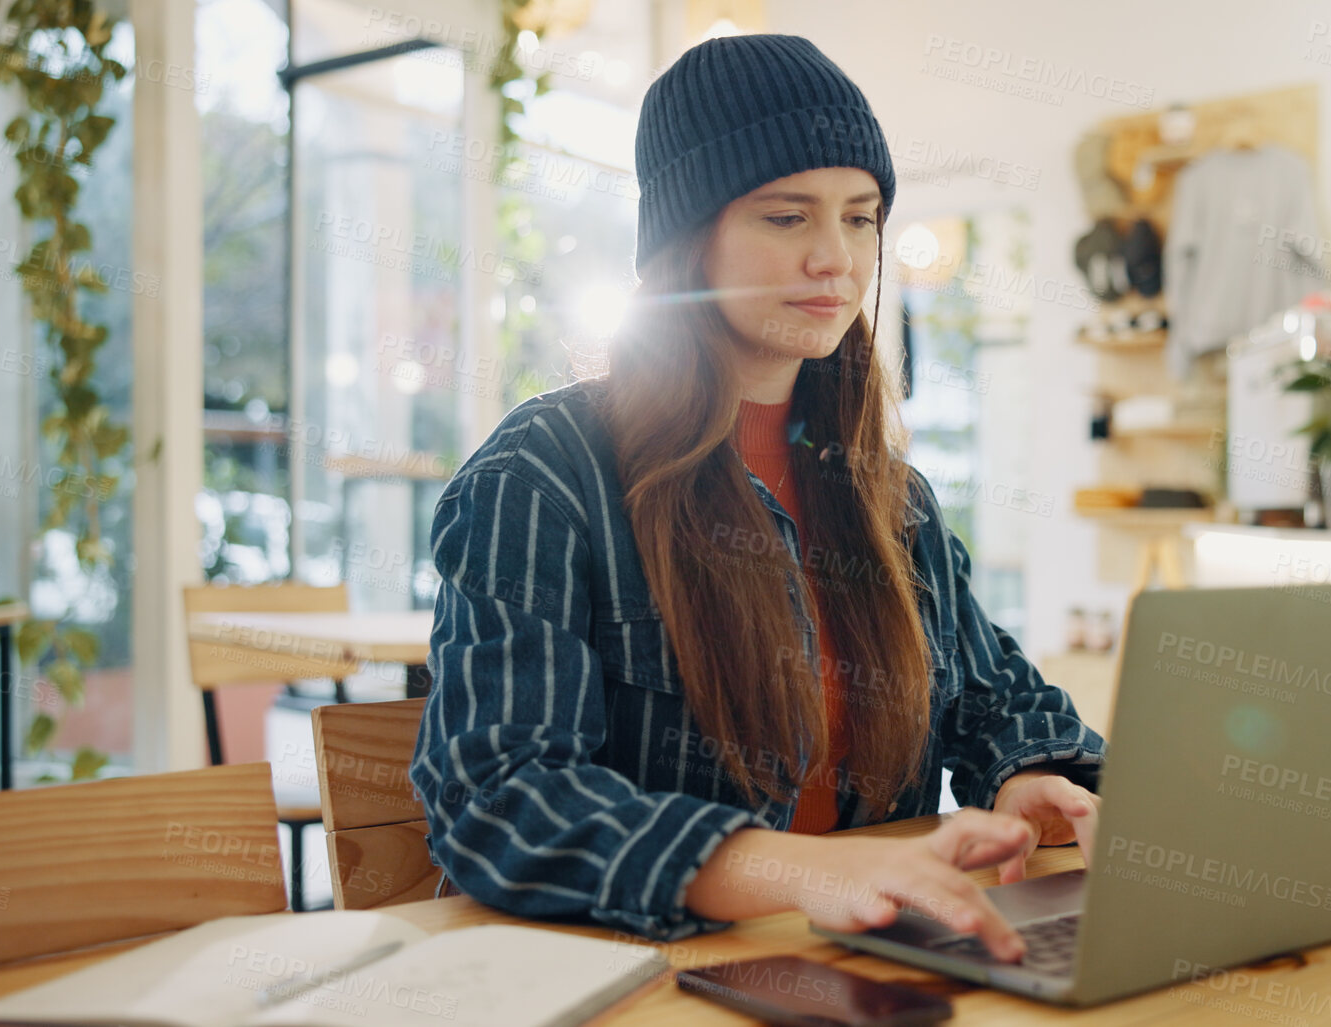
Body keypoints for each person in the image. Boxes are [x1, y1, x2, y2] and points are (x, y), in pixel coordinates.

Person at [409, 33, 1106, 963]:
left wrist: (1031, 775)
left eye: (861, 218)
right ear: (686, 241)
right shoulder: (544, 473)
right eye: (786, 217)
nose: (836, 260)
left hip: (863, 972)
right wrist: (802, 874)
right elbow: (502, 796)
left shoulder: (891, 496)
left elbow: (994, 698)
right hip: (639, 978)